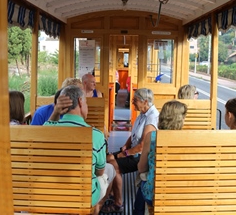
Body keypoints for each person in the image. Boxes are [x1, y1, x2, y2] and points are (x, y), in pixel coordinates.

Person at [43, 85, 115, 215]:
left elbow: (47, 127)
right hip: (83, 196)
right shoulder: (96, 135)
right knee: (110, 171)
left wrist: (56, 112)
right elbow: (99, 172)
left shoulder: (46, 131)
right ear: (81, 102)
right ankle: (97, 208)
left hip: (50, 194)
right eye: (86, 102)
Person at [102, 88, 159, 213]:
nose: (132, 102)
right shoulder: (143, 114)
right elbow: (134, 135)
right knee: (108, 158)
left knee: (113, 165)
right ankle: (112, 193)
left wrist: (125, 153)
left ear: (145, 101)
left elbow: (143, 145)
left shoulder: (152, 118)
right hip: (132, 150)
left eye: (135, 100)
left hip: (140, 156)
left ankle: (118, 203)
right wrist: (125, 145)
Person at [134, 100, 188, 214]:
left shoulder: (152, 137)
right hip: (181, 194)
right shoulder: (187, 139)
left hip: (155, 194)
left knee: (143, 182)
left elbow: (142, 168)